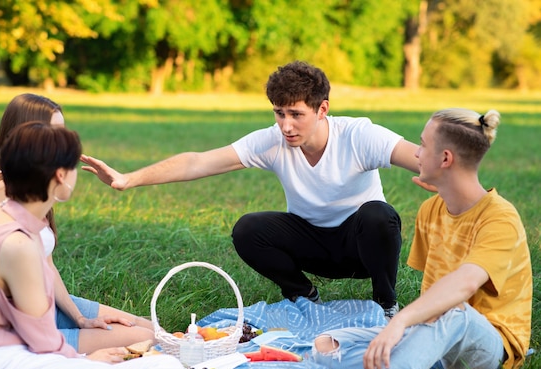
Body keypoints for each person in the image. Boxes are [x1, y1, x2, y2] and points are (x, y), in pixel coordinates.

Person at [81, 61, 423, 319]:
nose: (286, 126)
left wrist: (465, 181)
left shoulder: (358, 135)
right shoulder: (274, 141)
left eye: (296, 114)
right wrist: (128, 178)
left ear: (322, 109)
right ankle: (304, 297)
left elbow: (420, 159)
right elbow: (197, 162)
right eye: (279, 113)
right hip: (312, 242)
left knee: (379, 214)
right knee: (248, 229)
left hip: (362, 247)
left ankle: (386, 303)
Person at [298, 108, 532, 369]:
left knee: (454, 311)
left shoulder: (500, 218)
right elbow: (434, 295)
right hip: (436, 334)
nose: (416, 153)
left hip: (488, 345)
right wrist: (403, 327)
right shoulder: (431, 210)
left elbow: (463, 284)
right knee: (327, 345)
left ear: (445, 159)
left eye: (422, 145)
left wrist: (400, 321)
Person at [0, 121, 184, 369]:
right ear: (61, 176)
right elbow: (43, 341)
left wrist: (83, 355)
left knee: (161, 364)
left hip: (1, 364)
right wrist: (84, 361)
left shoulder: (6, 216)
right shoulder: (18, 243)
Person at [0, 93, 155, 354]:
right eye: (53, 133)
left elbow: (47, 264)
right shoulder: (2, 187)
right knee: (144, 339)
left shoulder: (35, 187)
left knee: (152, 330)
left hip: (46, 303)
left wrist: (80, 319)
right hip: (16, 322)